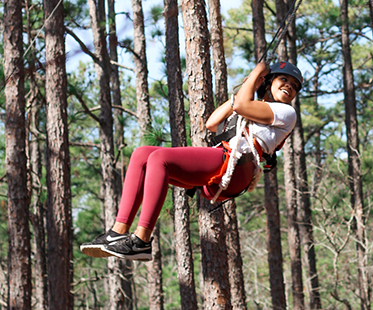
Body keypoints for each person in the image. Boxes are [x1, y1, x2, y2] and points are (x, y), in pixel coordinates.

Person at [80, 61, 303, 261]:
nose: (289, 87)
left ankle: (141, 241)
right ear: (268, 83)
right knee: (141, 154)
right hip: (224, 164)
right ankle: (117, 232)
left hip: (236, 167)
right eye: (284, 80)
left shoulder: (286, 113)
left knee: (159, 159)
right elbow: (212, 122)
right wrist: (248, 88)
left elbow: (242, 106)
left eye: (294, 86)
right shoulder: (253, 109)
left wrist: (256, 72)